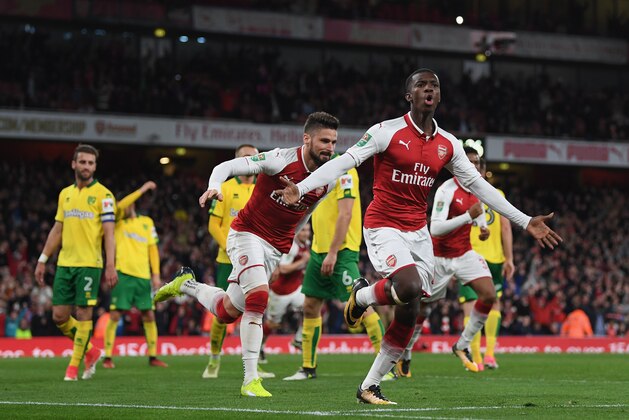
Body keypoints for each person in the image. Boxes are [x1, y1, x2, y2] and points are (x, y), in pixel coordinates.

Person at [275, 68, 562, 404]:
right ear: (408, 95)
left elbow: (481, 187)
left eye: (435, 85)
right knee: (408, 286)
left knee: (410, 310)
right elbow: (345, 162)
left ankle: (370, 385)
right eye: (421, 85)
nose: (429, 89)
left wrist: (525, 221)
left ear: (439, 96)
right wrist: (304, 186)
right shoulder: (386, 132)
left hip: (418, 231)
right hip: (383, 225)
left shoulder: (448, 144)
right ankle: (364, 297)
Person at [154, 111, 340, 397]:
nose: (330, 147)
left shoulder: (327, 180)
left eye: (334, 141)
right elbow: (225, 166)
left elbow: (305, 213)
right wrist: (214, 187)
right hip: (247, 234)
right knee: (259, 298)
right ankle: (250, 379)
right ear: (307, 139)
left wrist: (287, 243)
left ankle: (186, 285)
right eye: (324, 140)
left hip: (275, 247)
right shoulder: (279, 159)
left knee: (227, 311)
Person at [284, 156, 384, 381]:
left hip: (341, 251)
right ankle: (308, 368)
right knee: (310, 306)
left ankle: (387, 366)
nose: (327, 147)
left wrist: (333, 252)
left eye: (331, 142)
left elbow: (346, 213)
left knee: (360, 305)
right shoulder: (316, 173)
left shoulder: (345, 170)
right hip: (318, 251)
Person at [35, 144, 117, 381]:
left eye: (91, 163)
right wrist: (43, 259)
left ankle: (73, 367)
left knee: (83, 313)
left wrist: (110, 265)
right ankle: (90, 351)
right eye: (83, 162)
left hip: (89, 264)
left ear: (95, 166)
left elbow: (109, 234)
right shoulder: (65, 194)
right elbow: (57, 229)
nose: (87, 167)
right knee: (59, 316)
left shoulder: (104, 195)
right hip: (64, 263)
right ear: (74, 164)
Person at [202, 144, 259, 379]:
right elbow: (213, 225)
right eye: (244, 157)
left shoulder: (262, 190)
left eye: (253, 157)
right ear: (236, 161)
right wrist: (231, 247)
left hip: (255, 260)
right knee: (223, 313)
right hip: (228, 259)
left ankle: (255, 363)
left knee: (255, 311)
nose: (249, 161)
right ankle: (214, 358)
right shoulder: (224, 188)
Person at [102, 181, 168, 369]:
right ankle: (107, 357)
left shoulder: (146, 223)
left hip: (143, 277)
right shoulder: (116, 223)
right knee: (115, 314)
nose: (128, 204)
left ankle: (153, 356)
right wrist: (142, 190)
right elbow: (120, 205)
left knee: (149, 315)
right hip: (123, 274)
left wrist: (156, 275)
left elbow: (153, 249)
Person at [461, 156, 514, 370]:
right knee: (495, 304)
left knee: (469, 307)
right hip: (493, 258)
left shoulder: (460, 195)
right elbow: (506, 227)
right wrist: (509, 258)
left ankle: (476, 359)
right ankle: (490, 354)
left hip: (468, 256)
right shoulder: (497, 194)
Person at [262, 224, 311, 361]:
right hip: (280, 292)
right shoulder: (292, 247)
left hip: (296, 289)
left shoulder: (306, 243)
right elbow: (283, 269)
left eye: (308, 230)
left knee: (311, 307)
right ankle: (259, 347)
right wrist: (303, 261)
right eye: (303, 230)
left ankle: (298, 339)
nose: (306, 233)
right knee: (273, 324)